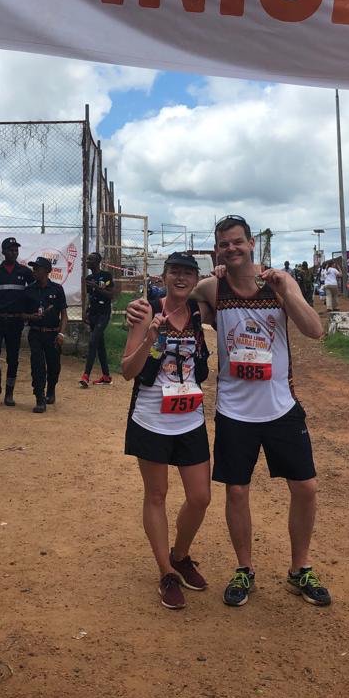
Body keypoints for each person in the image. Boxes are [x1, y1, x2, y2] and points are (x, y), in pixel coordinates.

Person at [130, 216, 331, 608]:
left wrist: (287, 292)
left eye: (237, 242)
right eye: (224, 244)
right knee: (237, 492)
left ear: (251, 243)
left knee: (305, 488)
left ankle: (300, 568)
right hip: (235, 411)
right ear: (217, 251)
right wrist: (140, 310)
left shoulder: (280, 283)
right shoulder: (212, 287)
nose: (231, 249)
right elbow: (176, 296)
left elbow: (314, 330)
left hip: (281, 406)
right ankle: (244, 569)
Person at [122, 252, 211, 610]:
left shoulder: (199, 312)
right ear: (163, 275)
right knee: (156, 495)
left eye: (188, 273)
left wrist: (219, 270)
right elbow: (127, 370)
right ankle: (166, 572)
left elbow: (223, 287)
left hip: (190, 418)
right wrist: (151, 338)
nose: (181, 278)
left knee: (200, 497)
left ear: (196, 280)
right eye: (174, 271)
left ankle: (180, 555)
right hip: (151, 419)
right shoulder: (146, 311)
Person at [0, 237, 33, 406]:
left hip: (15, 321)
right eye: (11, 250)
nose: (14, 252)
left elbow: (33, 293)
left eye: (16, 250)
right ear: (3, 252)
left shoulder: (25, 272)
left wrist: (29, 314)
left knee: (13, 357)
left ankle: (9, 393)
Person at [23, 256, 68, 413]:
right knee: (37, 366)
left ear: (47, 271)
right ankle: (40, 398)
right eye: (33, 268)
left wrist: (61, 334)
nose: (34, 271)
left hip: (53, 334)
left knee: (54, 366)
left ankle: (51, 390)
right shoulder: (28, 290)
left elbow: (64, 315)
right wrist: (31, 317)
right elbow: (21, 314)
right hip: (35, 333)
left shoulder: (57, 289)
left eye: (37, 268)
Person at [80, 252, 115, 388]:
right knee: (100, 345)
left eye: (90, 259)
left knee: (93, 341)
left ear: (97, 262)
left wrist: (97, 287)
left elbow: (111, 295)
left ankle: (86, 375)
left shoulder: (106, 276)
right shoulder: (88, 278)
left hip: (103, 314)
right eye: (87, 259)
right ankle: (106, 376)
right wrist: (86, 312)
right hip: (93, 314)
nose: (87, 261)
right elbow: (90, 297)